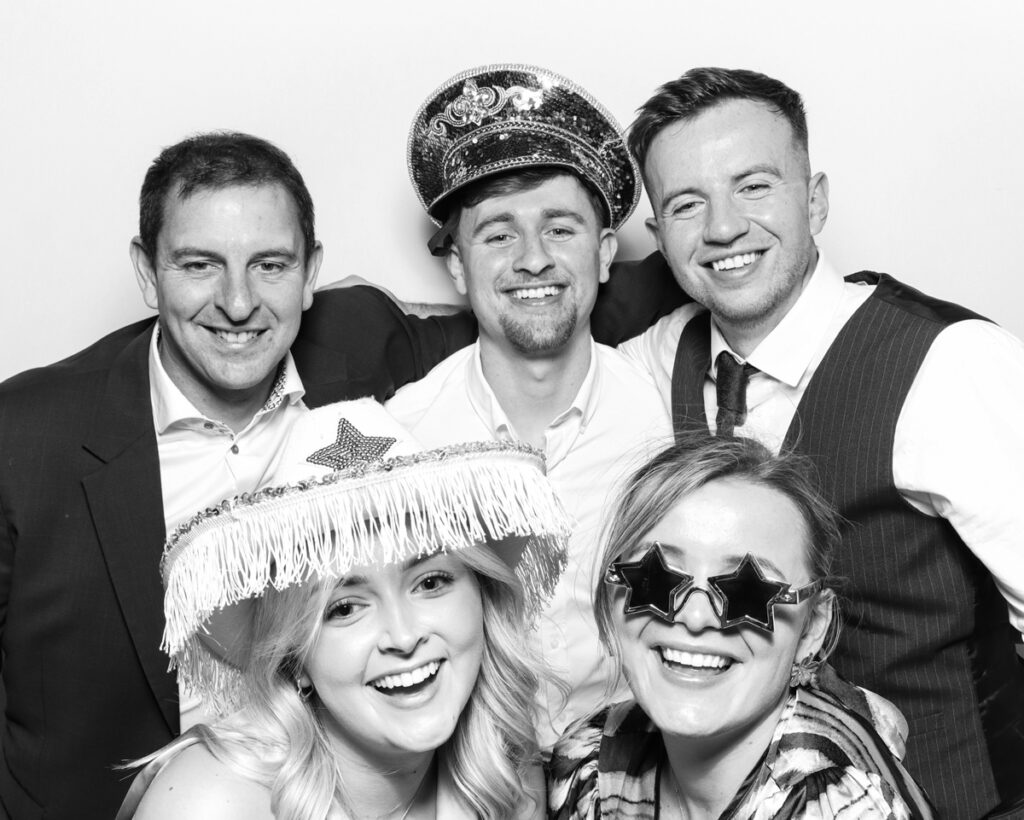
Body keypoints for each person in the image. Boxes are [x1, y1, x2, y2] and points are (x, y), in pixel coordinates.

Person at [0, 131, 486, 819]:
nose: (237, 302)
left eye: (271, 265)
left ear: (312, 270)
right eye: (199, 265)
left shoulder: (361, 343)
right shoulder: (25, 436)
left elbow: (533, 313)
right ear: (146, 272)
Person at [604, 67, 1024, 818]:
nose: (723, 227)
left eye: (754, 186)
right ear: (658, 236)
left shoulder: (949, 364)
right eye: (686, 204)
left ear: (817, 200)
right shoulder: (660, 358)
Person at [388, 64, 672, 744]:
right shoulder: (401, 439)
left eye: (561, 229)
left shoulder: (670, 417)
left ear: (606, 254)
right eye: (498, 234)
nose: (533, 259)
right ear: (457, 266)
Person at [116, 398, 570, 819]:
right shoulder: (210, 802)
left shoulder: (505, 769)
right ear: (294, 660)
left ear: (482, 595)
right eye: (345, 608)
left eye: (430, 582)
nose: (404, 635)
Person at [548, 434, 935, 819]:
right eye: (655, 577)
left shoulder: (845, 807)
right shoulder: (589, 762)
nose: (696, 617)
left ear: (812, 627)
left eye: (749, 591)